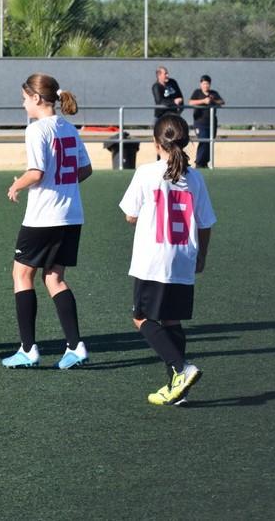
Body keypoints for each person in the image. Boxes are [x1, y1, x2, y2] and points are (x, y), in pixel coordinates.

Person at [119, 114, 216, 406]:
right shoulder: (195, 177)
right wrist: (202, 256)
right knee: (171, 320)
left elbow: (130, 214)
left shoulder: (147, 172)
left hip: (154, 258)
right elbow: (205, 222)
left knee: (142, 318)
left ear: (156, 142)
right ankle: (176, 389)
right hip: (184, 256)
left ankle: (182, 369)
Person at [2, 73, 93, 370]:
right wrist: (62, 182)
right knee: (54, 278)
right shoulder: (69, 128)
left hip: (44, 217)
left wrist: (17, 185)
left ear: (38, 99)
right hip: (71, 215)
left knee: (21, 275)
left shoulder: (36, 129)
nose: (23, 104)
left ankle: (28, 349)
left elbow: (37, 172)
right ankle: (75, 346)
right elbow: (85, 169)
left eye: (25, 98)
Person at [187, 75, 225, 169]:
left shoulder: (213, 93)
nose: (206, 86)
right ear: (200, 84)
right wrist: (203, 101)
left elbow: (222, 102)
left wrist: (213, 100)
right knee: (203, 140)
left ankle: (205, 163)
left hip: (212, 123)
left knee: (210, 142)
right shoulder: (197, 92)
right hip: (200, 123)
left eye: (207, 83)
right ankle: (199, 163)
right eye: (204, 83)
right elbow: (190, 102)